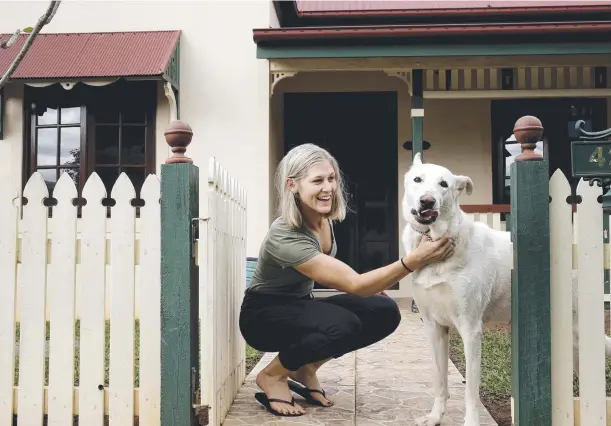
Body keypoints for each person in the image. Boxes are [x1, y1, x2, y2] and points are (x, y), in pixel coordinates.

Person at [239, 143, 455, 417]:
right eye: (317, 180)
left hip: (297, 305)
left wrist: (373, 287)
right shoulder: (285, 235)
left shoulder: (321, 220)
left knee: (383, 311)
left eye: (331, 178)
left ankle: (306, 367)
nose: (328, 187)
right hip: (264, 317)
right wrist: (414, 260)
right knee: (343, 324)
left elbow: (337, 272)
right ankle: (272, 374)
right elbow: (355, 284)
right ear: (292, 185)